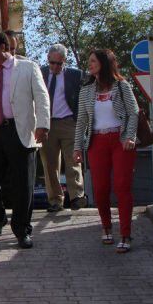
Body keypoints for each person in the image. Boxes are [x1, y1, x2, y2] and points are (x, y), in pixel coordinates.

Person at [0, 31, 52, 249]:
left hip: (20, 131)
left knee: (22, 184)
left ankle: (22, 230)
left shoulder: (28, 67)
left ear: (3, 47)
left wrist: (43, 125)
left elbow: (42, 96)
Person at [73, 49, 140, 254]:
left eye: (93, 61)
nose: (90, 64)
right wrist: (77, 147)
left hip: (120, 141)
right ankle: (106, 227)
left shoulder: (121, 86)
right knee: (100, 189)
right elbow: (82, 121)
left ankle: (126, 234)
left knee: (122, 187)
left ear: (104, 63)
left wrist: (130, 136)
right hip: (97, 142)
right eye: (89, 61)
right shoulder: (86, 90)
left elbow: (134, 111)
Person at [40, 44, 88, 212]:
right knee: (50, 164)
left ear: (64, 61)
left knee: (73, 160)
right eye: (51, 62)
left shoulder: (76, 75)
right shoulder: (41, 73)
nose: (54, 67)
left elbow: (88, 92)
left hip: (69, 122)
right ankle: (55, 200)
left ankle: (76, 197)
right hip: (47, 124)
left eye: (58, 64)